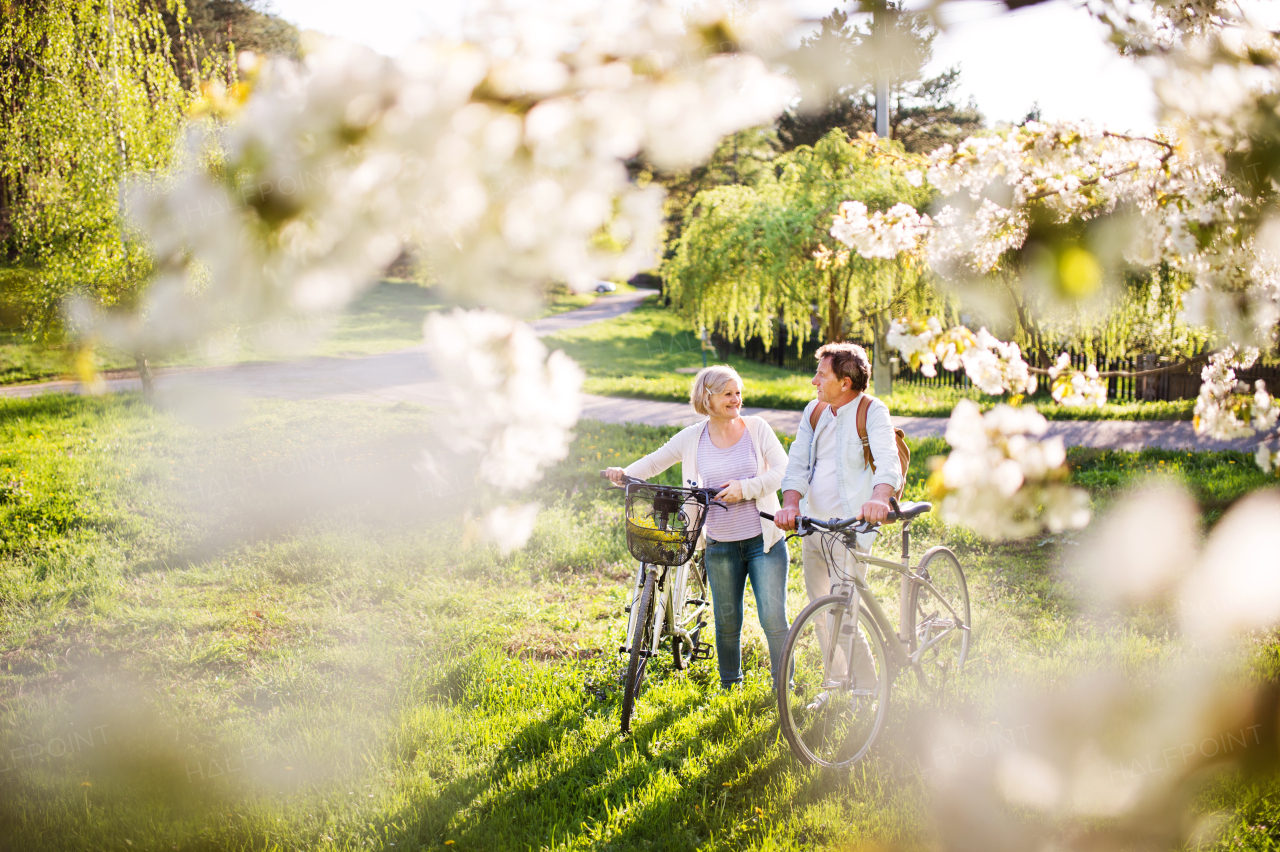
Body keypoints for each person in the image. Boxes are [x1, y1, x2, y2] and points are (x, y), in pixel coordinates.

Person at [605, 365, 790, 689]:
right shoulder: (693, 437)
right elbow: (654, 461)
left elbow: (782, 471)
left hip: (764, 542)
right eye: (728, 394)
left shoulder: (757, 428)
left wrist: (746, 488)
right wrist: (625, 472)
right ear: (708, 398)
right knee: (727, 620)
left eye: (738, 392)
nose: (737, 399)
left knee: (773, 619)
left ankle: (782, 687)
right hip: (720, 545)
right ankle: (730, 685)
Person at [773, 343, 902, 700]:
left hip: (850, 527)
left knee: (844, 609)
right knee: (820, 609)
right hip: (813, 524)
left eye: (822, 374)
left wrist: (879, 498)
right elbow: (797, 462)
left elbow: (887, 458)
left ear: (845, 382)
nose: (814, 380)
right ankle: (836, 682)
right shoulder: (815, 411)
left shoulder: (872, 410)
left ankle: (867, 686)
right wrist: (791, 503)